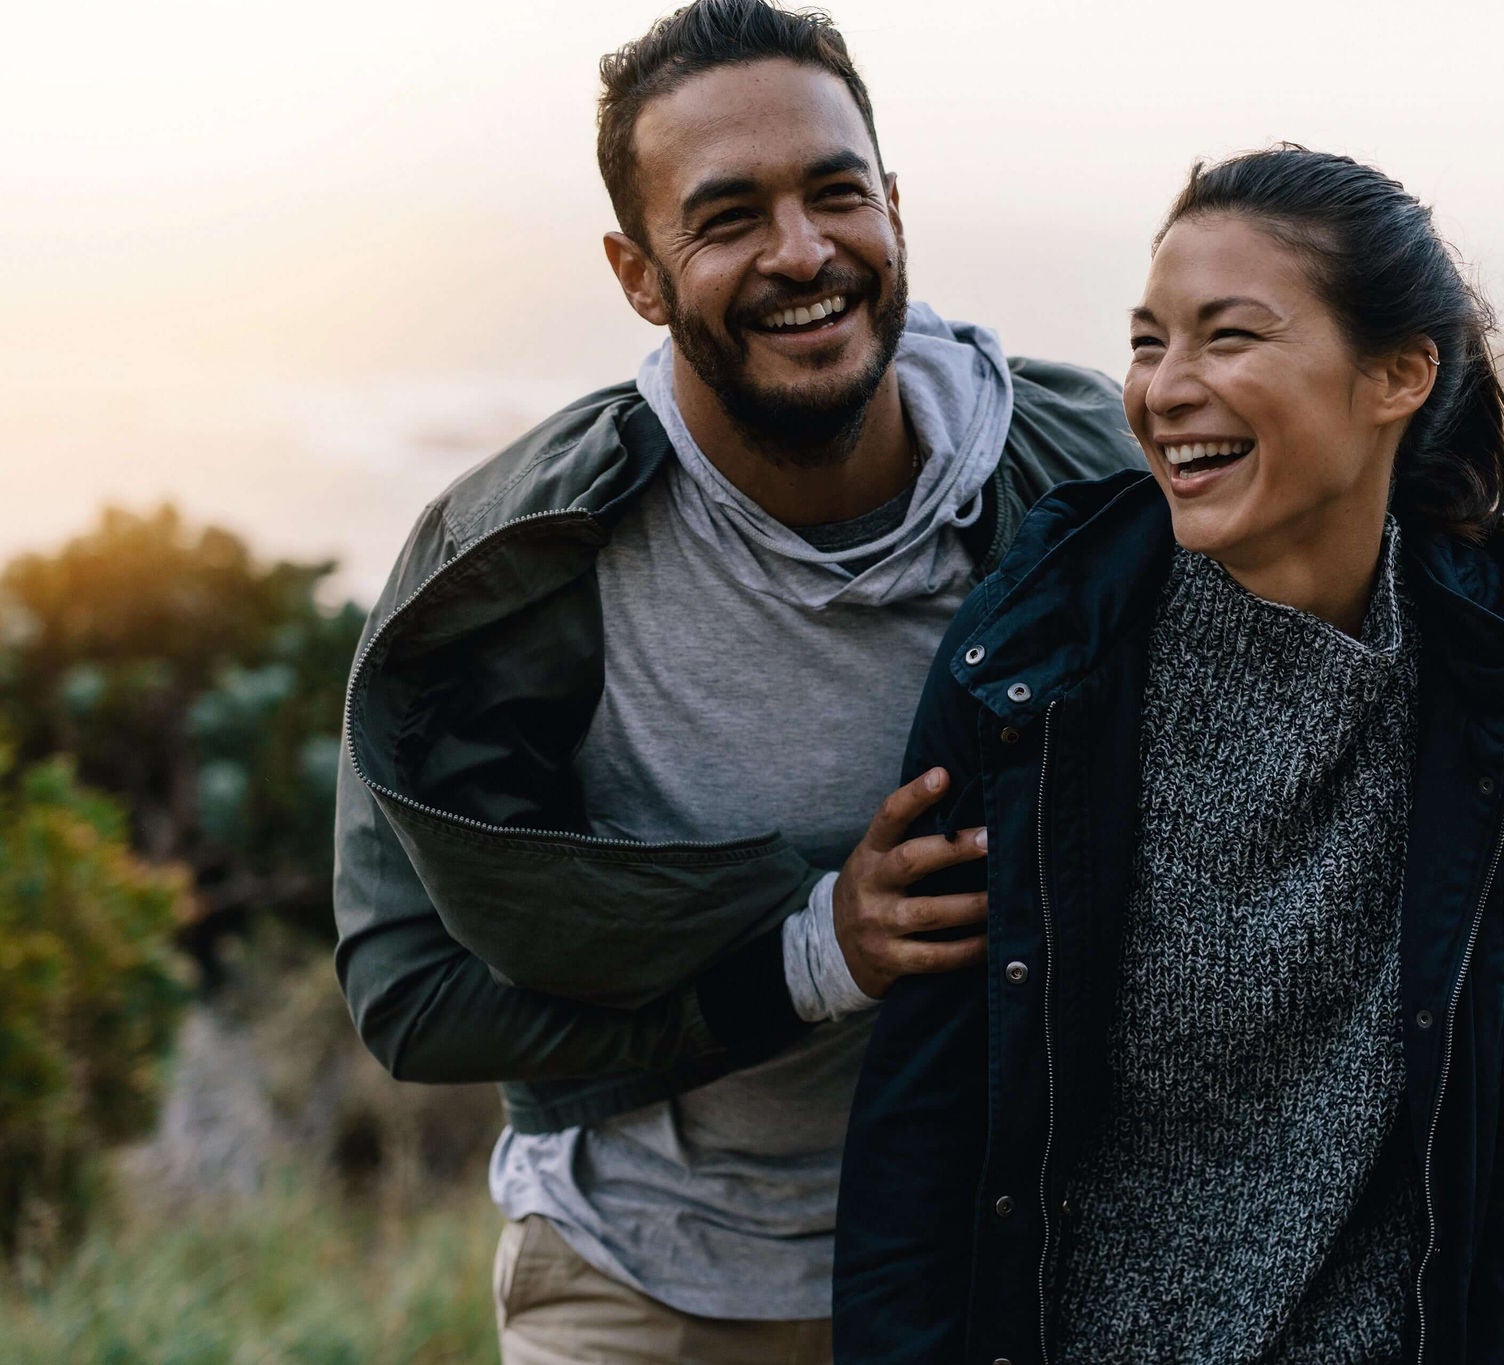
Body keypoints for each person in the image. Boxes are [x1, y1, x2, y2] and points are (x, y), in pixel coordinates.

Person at [330, 1, 1137, 1360]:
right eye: (727, 217)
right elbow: (408, 992)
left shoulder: (1079, 476)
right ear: (637, 273)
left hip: (1005, 1272)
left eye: (838, 193)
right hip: (642, 1282)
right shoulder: (507, 564)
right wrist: (815, 956)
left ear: (892, 204)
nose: (803, 252)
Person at [834, 146, 1504, 1364]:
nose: (1164, 388)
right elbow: (924, 1124)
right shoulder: (1030, 670)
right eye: (1149, 341)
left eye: (1228, 337)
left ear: (1396, 376)